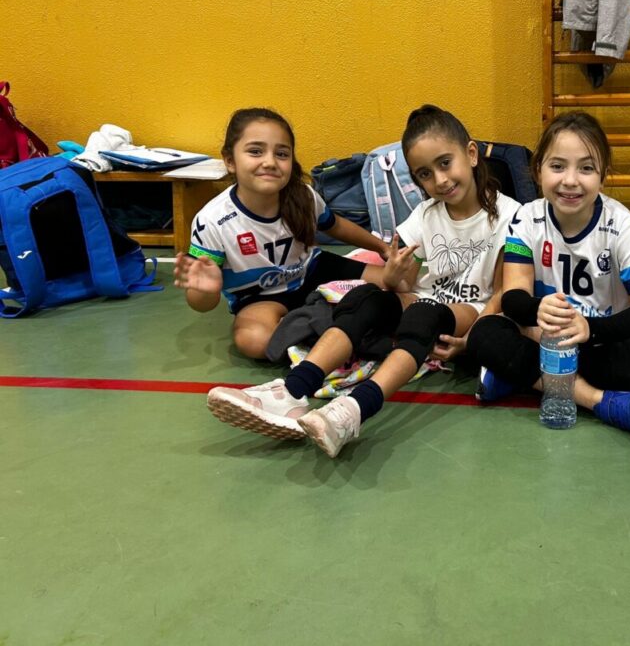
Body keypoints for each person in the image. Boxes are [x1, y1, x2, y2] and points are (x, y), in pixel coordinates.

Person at [206, 104, 521, 452]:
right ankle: (292, 390)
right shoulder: (425, 214)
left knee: (424, 313)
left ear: (472, 154)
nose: (440, 180)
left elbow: (504, 291)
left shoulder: (510, 215)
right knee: (368, 297)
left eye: (445, 164)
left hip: (469, 309)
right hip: (426, 296)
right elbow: (403, 284)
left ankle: (354, 409)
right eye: (425, 175)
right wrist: (394, 276)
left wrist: (474, 338)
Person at [466, 111, 630, 440]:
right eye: (558, 166)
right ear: (538, 170)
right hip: (546, 337)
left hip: (599, 342)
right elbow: (513, 296)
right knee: (484, 333)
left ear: (603, 175)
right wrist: (537, 309)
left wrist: (590, 329)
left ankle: (519, 376)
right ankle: (602, 401)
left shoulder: (621, 224)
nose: (570, 180)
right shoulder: (526, 218)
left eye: (586, 168)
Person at [174, 107, 390, 363]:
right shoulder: (211, 220)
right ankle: (330, 324)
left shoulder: (304, 196)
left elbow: (336, 226)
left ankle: (320, 321)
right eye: (255, 151)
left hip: (312, 271)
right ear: (230, 160)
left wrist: (382, 248)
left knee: (396, 284)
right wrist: (206, 290)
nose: (269, 161)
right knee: (254, 341)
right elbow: (201, 304)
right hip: (259, 297)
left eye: (282, 154)